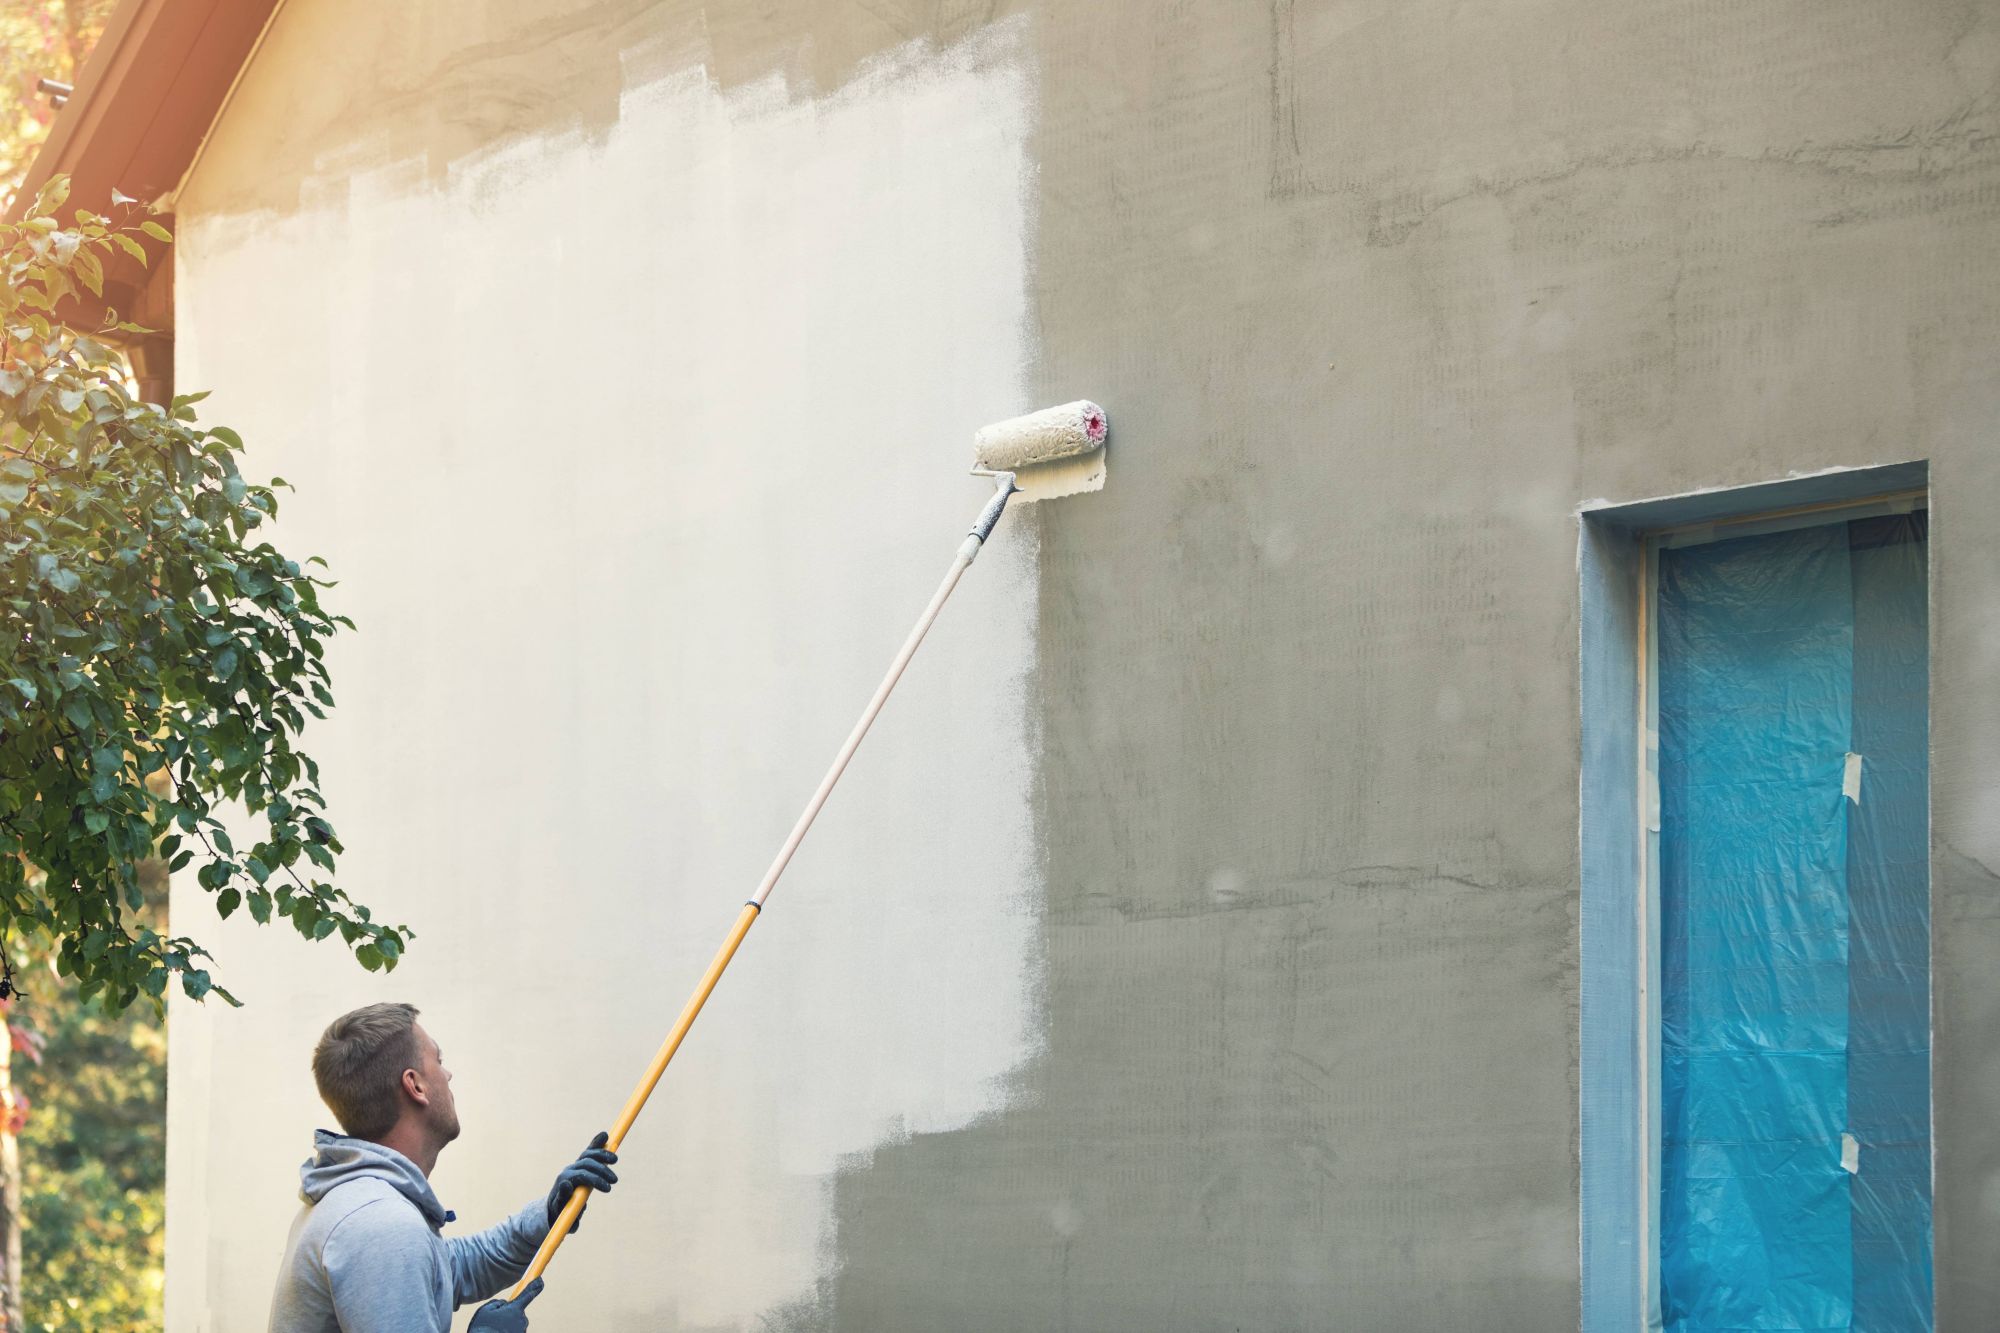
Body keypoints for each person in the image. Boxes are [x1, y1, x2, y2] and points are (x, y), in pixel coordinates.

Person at [268, 1002, 618, 1332]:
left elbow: (456, 1268)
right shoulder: (380, 1225)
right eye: (438, 1059)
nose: (448, 1075)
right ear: (415, 1085)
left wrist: (548, 1215)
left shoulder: (364, 1206)